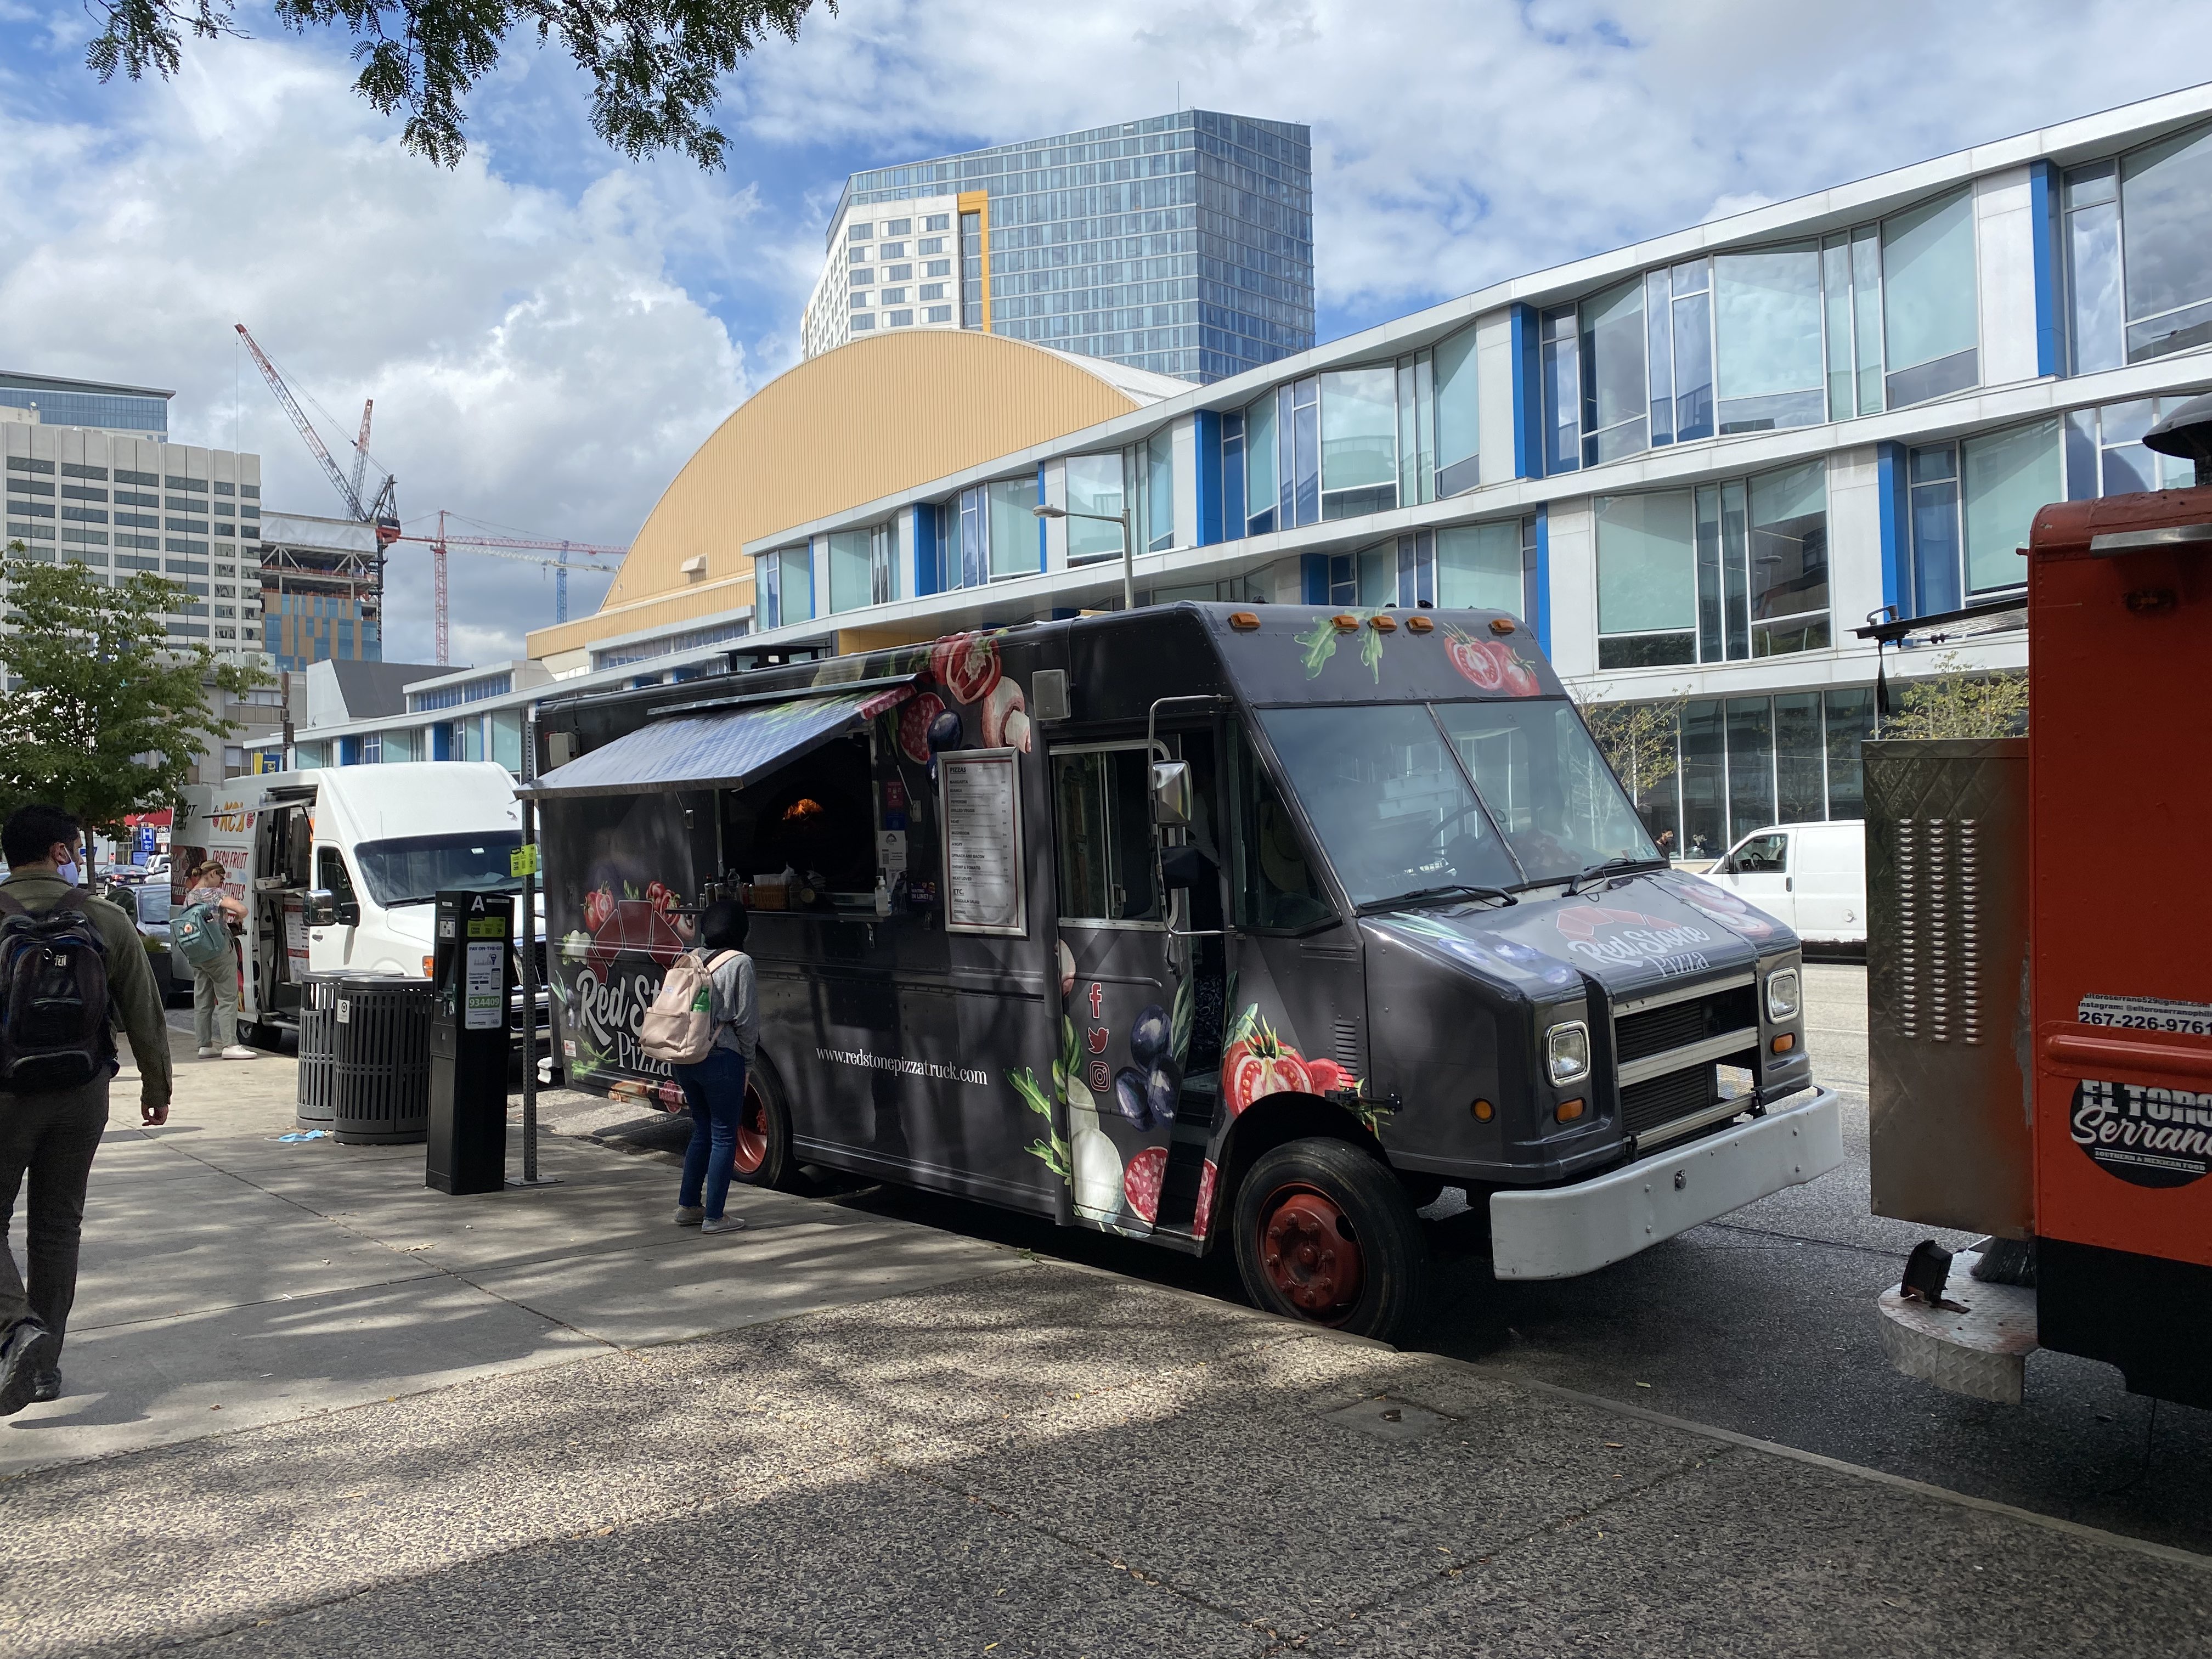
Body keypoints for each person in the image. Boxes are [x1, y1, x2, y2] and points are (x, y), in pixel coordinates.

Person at [0, 805, 173, 1415]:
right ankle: (44, 1369)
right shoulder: (103, 917)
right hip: (82, 1093)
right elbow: (145, 1013)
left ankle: (15, 1329)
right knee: (57, 1226)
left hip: (5, 1097)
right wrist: (158, 1088)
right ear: (61, 851)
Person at [669, 899, 757, 1237]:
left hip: (686, 1057)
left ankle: (688, 1206)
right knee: (724, 1136)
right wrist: (748, 1065)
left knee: (702, 1130)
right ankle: (715, 1216)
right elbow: (747, 1022)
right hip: (722, 1058)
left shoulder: (690, 957)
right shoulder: (740, 963)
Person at [183, 862, 253, 1061]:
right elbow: (242, 909)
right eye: (221, 878)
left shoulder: (190, 897)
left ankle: (204, 1045)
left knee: (203, 999)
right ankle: (230, 1044)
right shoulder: (213, 893)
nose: (222, 882)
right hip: (219, 952)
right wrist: (238, 920)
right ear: (212, 873)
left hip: (198, 953)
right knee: (227, 998)